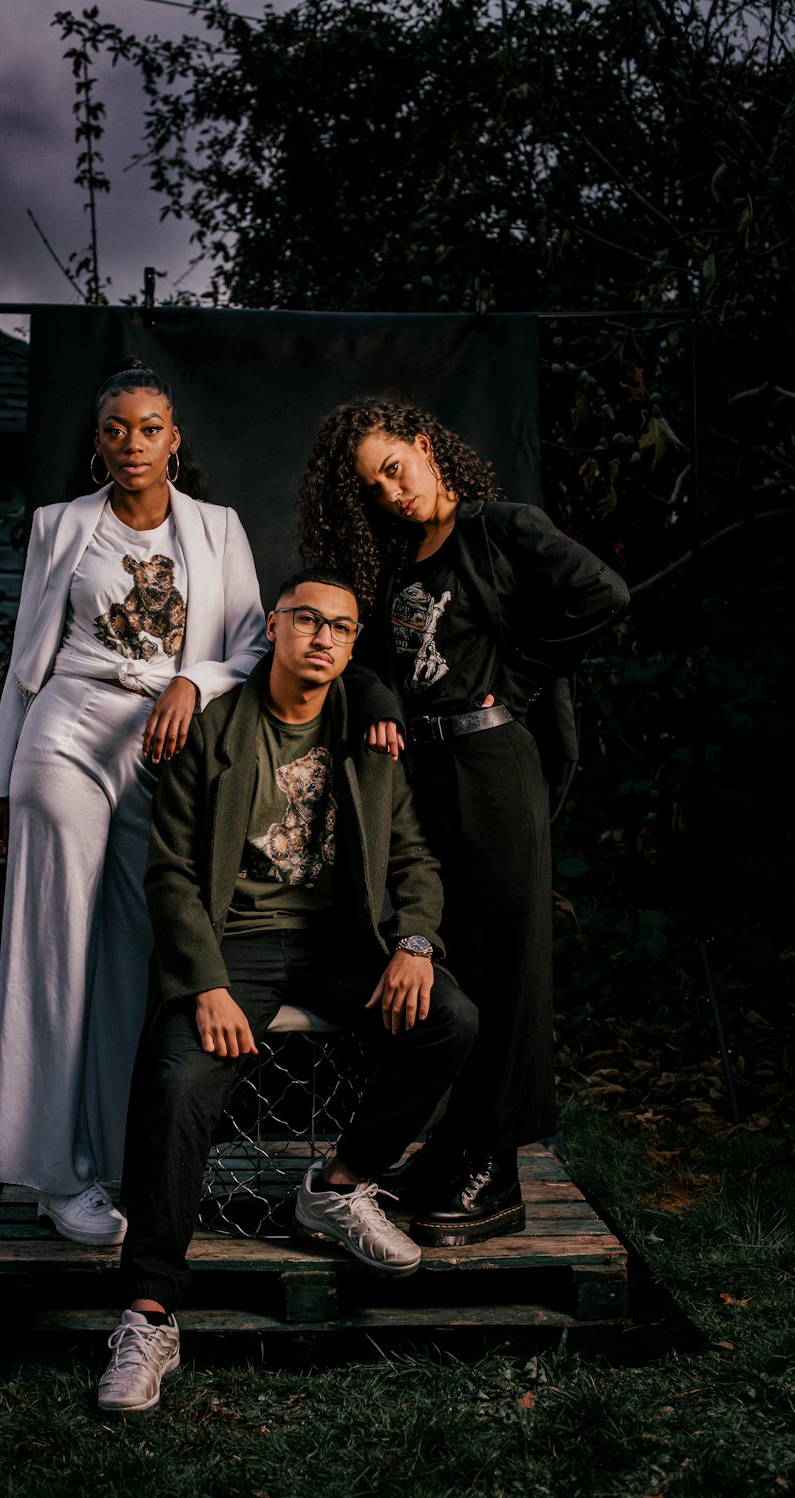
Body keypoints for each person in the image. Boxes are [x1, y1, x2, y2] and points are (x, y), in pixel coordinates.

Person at [97, 568, 478, 1414]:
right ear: (274, 625)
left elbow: (413, 857)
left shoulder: (369, 733)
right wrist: (204, 981)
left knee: (449, 1016)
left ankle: (337, 1189)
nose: (323, 638)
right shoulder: (216, 728)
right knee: (177, 1076)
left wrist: (413, 941)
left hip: (341, 941)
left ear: (352, 646)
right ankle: (151, 1310)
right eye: (308, 620)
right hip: (236, 942)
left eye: (342, 629)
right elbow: (169, 874)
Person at [297, 400, 631, 1247]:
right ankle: (451, 1142)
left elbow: (604, 592)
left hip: (491, 766)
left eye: (395, 468)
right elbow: (370, 662)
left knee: (509, 964)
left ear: (424, 444)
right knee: (458, 961)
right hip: (426, 774)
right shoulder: (399, 560)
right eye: (373, 485)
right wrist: (374, 701)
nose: (391, 492)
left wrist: (516, 684)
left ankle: (499, 1164)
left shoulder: (500, 528)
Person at [0, 358, 267, 1246]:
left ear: (175, 439)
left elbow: (253, 643)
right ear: (96, 443)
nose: (132, 443)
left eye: (149, 428)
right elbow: (28, 662)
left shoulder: (217, 529)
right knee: (53, 949)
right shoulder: (60, 526)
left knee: (138, 956)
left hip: (162, 749)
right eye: (115, 429)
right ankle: (52, 1174)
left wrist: (193, 681)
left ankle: (117, 1158)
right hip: (65, 733)